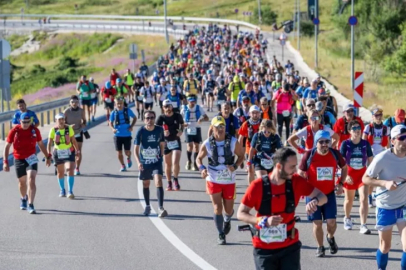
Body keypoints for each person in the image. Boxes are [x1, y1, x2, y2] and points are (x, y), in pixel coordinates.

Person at [237, 147, 327, 270]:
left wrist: (315, 201)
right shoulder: (257, 186)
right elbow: (241, 213)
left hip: (289, 246)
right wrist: (262, 221)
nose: (295, 170)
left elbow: (323, 197)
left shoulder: (296, 181)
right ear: (279, 166)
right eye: (291, 167)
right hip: (264, 249)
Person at [362, 125, 406, 270]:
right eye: (402, 138)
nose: (405, 141)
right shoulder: (382, 158)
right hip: (385, 207)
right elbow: (365, 179)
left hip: (404, 206)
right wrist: (384, 183)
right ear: (393, 141)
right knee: (385, 246)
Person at [298, 130, 348, 257]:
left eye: (327, 141)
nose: (325, 144)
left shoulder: (335, 154)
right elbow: (300, 174)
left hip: (329, 193)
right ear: (316, 143)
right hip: (313, 194)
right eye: (321, 142)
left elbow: (344, 168)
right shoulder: (309, 155)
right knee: (317, 223)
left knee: (331, 223)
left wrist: (341, 183)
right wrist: (304, 187)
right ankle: (320, 247)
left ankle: (330, 237)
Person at [196, 116, 244, 244]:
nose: (220, 129)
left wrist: (234, 166)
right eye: (217, 127)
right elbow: (198, 159)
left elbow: (241, 155)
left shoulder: (233, 141)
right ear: (212, 128)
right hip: (213, 178)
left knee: (228, 210)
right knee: (217, 208)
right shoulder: (207, 143)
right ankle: (221, 234)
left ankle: (227, 219)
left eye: (222, 126)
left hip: (229, 180)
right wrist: (201, 169)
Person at [3, 112, 50, 214]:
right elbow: (7, 146)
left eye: (28, 122)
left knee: (31, 179)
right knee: (22, 183)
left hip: (31, 157)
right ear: (20, 121)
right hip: (19, 158)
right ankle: (23, 198)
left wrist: (47, 156)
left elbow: (41, 144)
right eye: (23, 122)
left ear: (30, 122)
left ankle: (31, 204)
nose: (25, 124)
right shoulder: (14, 131)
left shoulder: (34, 130)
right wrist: (5, 162)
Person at [339, 120, 373, 234]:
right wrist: (346, 175)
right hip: (349, 174)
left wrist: (371, 174)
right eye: (354, 128)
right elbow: (341, 162)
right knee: (349, 200)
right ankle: (347, 218)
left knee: (364, 199)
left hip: (362, 175)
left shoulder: (365, 143)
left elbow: (370, 160)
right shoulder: (345, 144)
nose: (357, 130)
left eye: (359, 128)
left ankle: (363, 225)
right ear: (349, 131)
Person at [134, 110, 168, 218]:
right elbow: (136, 148)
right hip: (145, 162)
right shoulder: (141, 131)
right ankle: (147, 206)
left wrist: (161, 155)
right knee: (146, 184)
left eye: (152, 118)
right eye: (147, 118)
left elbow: (162, 143)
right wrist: (138, 162)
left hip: (156, 162)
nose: (149, 120)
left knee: (158, 181)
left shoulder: (159, 130)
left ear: (154, 118)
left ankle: (160, 208)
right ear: (144, 120)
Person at [47, 113, 80, 199]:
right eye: (59, 120)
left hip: (69, 152)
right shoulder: (53, 130)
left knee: (70, 169)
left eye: (62, 119)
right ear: (56, 121)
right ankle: (62, 190)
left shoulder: (69, 128)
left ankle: (70, 191)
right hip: (58, 152)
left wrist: (77, 151)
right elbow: (49, 143)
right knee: (60, 172)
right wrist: (48, 154)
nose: (61, 121)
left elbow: (73, 140)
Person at [363, 107, 390, 208]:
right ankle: (369, 196)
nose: (378, 117)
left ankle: (378, 196)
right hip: (370, 156)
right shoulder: (368, 128)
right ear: (372, 117)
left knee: (382, 177)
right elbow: (364, 142)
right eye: (376, 115)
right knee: (371, 177)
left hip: (381, 155)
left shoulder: (385, 128)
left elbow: (388, 143)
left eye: (380, 115)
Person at [156, 99, 184, 191]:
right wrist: (163, 132)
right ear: (163, 108)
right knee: (168, 164)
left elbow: (182, 125)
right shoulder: (161, 118)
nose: (167, 108)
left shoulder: (177, 115)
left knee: (175, 162)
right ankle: (169, 182)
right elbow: (156, 129)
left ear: (172, 107)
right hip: (166, 143)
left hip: (176, 141)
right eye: (165, 107)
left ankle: (175, 179)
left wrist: (180, 131)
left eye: (169, 106)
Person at [181, 95, 209, 171]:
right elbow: (180, 120)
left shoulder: (198, 108)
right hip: (188, 128)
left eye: (193, 101)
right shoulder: (184, 108)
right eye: (191, 101)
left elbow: (207, 118)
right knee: (189, 146)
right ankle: (189, 161)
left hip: (196, 128)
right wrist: (183, 123)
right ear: (188, 101)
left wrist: (201, 120)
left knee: (196, 146)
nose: (192, 103)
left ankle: (195, 163)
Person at [109, 97, 137, 172]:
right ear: (115, 104)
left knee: (127, 152)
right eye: (117, 104)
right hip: (117, 135)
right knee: (119, 152)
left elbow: (135, 118)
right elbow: (110, 123)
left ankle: (129, 157)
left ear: (123, 103)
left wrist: (131, 126)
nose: (119, 105)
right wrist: (112, 129)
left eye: (121, 103)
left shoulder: (128, 110)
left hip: (127, 135)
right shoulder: (113, 112)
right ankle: (123, 165)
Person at [238, 105, 262, 184]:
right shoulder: (246, 124)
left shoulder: (263, 123)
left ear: (259, 113)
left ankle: (261, 188)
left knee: (261, 172)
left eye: (257, 113)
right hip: (249, 151)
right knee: (250, 171)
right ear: (249, 114)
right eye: (253, 113)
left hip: (261, 151)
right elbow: (240, 139)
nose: (255, 115)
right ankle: (251, 188)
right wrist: (239, 153)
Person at [64, 95, 87, 175]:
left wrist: (83, 124)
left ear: (78, 102)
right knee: (70, 151)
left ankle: (77, 168)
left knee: (78, 151)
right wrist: (69, 126)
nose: (74, 103)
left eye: (76, 102)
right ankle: (70, 166)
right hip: (69, 134)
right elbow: (62, 123)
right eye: (72, 102)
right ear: (70, 103)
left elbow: (84, 120)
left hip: (78, 132)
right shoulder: (66, 111)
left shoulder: (81, 111)